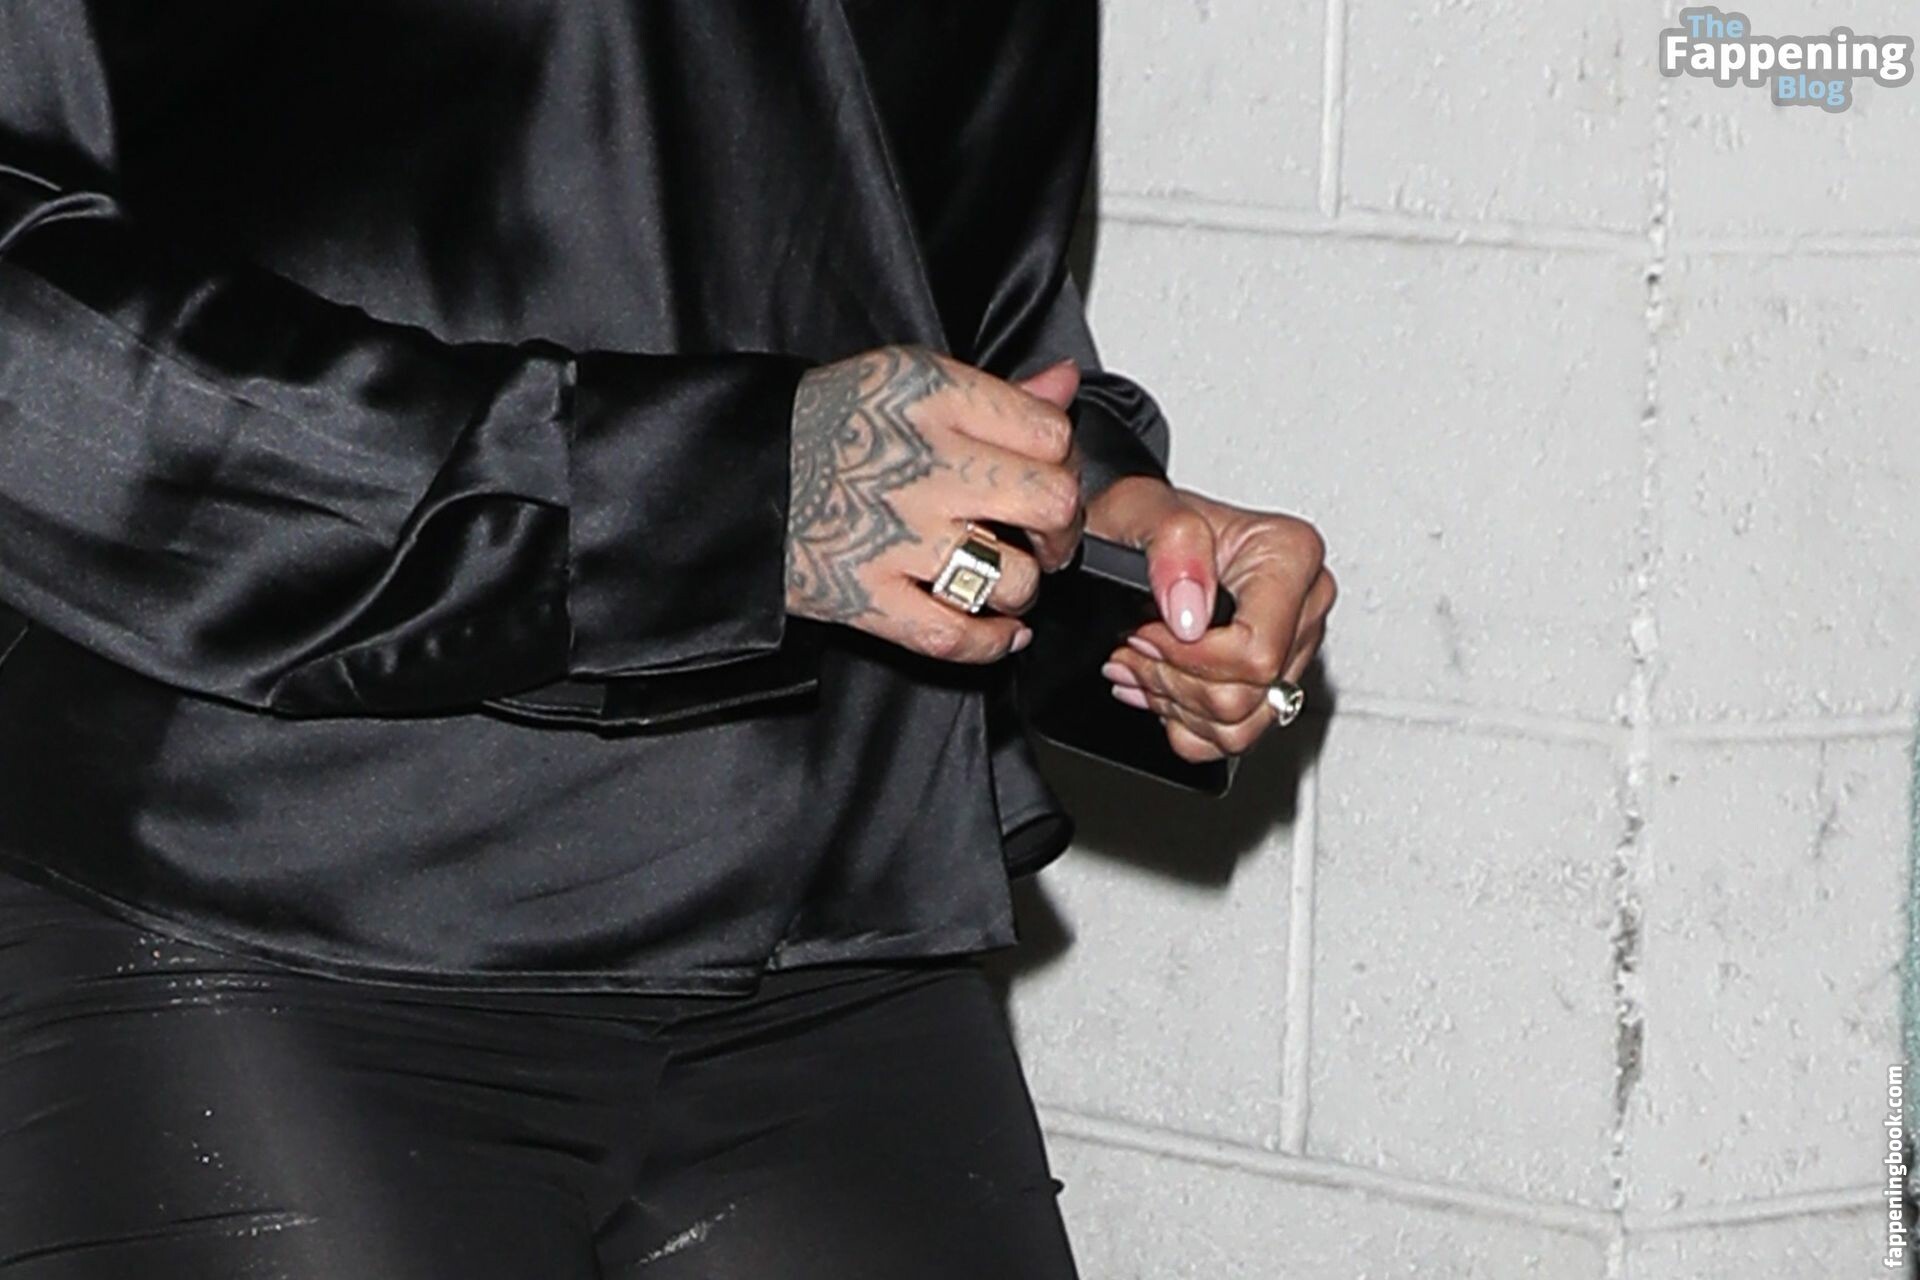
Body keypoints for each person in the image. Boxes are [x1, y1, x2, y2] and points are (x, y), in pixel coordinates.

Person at [0, 3, 1335, 1276]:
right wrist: (716, 489)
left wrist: (1091, 515)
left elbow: (942, 292)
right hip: (271, 892)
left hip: (839, 914)